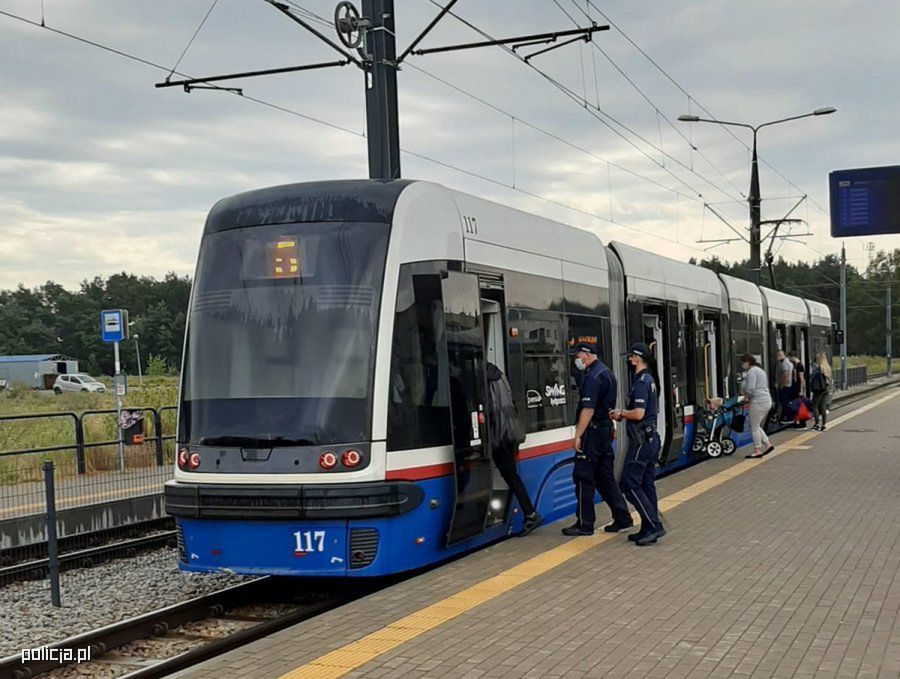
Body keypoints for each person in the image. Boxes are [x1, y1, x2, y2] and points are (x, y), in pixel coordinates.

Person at [561, 342, 632, 537]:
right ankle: (623, 518)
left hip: (592, 434)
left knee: (583, 477)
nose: (576, 359)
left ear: (587, 354)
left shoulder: (592, 377)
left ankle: (585, 524)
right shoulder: (606, 372)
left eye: (577, 356)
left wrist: (578, 435)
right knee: (605, 477)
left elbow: (588, 409)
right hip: (604, 432)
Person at [610, 342, 665, 546]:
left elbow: (639, 413)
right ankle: (649, 525)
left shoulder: (641, 381)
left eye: (630, 357)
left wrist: (621, 413)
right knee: (646, 484)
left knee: (629, 483)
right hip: (650, 439)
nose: (628, 360)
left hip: (641, 441)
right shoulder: (649, 379)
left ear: (637, 358)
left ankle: (654, 526)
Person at [485, 362, 542, 535]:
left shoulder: (484, 378)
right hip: (509, 431)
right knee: (509, 473)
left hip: (499, 435)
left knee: (508, 473)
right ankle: (530, 513)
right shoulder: (499, 375)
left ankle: (530, 513)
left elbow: (490, 409)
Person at [739, 353, 776, 459]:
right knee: (756, 425)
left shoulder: (752, 372)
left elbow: (751, 387)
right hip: (765, 400)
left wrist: (745, 396)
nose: (742, 366)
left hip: (758, 402)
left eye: (742, 364)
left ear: (747, 362)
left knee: (753, 427)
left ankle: (757, 450)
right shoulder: (760, 370)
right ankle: (768, 444)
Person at [809, 352, 833, 431]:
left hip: (818, 389)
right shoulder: (827, 368)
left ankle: (816, 424)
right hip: (825, 389)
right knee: (823, 407)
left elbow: (811, 377)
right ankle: (824, 425)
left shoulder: (818, 368)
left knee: (815, 406)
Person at [775, 350, 794, 422]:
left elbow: (784, 374)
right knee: (785, 402)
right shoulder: (788, 362)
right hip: (788, 385)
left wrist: (782, 385)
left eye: (779, 355)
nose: (778, 356)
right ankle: (783, 417)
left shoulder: (784, 363)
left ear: (784, 355)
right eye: (777, 355)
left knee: (784, 402)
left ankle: (788, 417)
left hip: (785, 386)